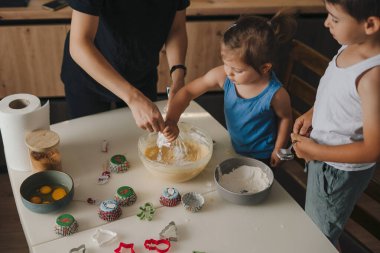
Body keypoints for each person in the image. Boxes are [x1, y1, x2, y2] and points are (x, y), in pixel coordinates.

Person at [291, 0, 380, 247]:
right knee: (315, 220)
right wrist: (313, 112)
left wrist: (315, 151)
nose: (326, 22)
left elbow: (372, 149)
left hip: (338, 171)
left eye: (335, 18)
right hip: (323, 158)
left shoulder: (372, 77)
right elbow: (337, 91)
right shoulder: (349, 44)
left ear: (370, 24)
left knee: (319, 236)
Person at [163, 11, 297, 167]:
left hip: (262, 156)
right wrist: (172, 120)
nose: (228, 71)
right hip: (232, 146)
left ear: (265, 67)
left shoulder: (275, 94)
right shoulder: (224, 75)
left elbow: (286, 118)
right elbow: (188, 92)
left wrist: (278, 149)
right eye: (226, 63)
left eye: (237, 70)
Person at [61, 0, 189, 133]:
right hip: (89, 77)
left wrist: (178, 77)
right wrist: (134, 98)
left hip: (141, 73)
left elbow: (176, 28)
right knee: (90, 140)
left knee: (139, 142)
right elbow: (79, 44)